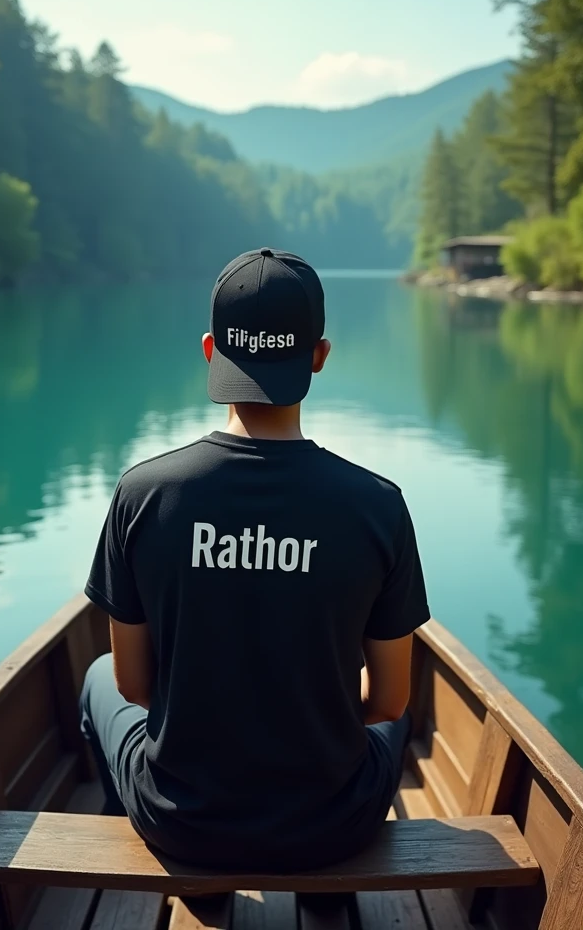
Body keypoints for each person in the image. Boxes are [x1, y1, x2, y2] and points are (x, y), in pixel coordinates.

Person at [80, 248, 430, 871]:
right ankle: (335, 900)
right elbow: (388, 702)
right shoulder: (376, 505)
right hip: (332, 826)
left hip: (183, 823)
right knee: (397, 725)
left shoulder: (144, 495)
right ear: (319, 356)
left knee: (96, 679)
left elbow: (134, 687)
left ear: (212, 350)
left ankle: (169, 863)